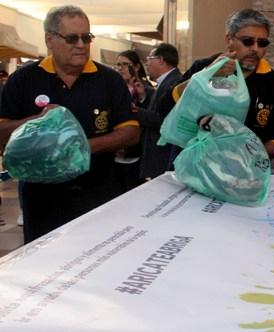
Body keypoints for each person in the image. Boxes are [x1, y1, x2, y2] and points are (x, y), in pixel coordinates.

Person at [0, 5, 139, 243]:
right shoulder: (23, 79)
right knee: (44, 269)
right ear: (49, 39)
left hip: (99, 194)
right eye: (72, 38)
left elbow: (131, 132)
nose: (81, 45)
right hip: (42, 199)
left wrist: (79, 145)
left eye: (87, 38)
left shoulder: (109, 80)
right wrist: (37, 124)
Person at [170, 9, 274, 160]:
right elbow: (165, 106)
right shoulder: (202, 68)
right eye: (248, 41)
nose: (255, 49)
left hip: (245, 174)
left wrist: (254, 152)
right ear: (228, 39)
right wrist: (207, 75)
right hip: (193, 167)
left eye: (262, 43)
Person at [139, 43, 182, 179]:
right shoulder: (166, 81)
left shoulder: (175, 82)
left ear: (161, 60)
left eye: (149, 59)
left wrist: (134, 111)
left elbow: (165, 120)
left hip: (163, 155)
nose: (147, 64)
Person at [113, 50, 153, 192]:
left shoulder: (145, 89)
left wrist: (142, 98)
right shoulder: (113, 87)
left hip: (136, 153)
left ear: (136, 67)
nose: (121, 68)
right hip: (115, 152)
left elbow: (152, 117)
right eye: (118, 64)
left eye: (125, 64)